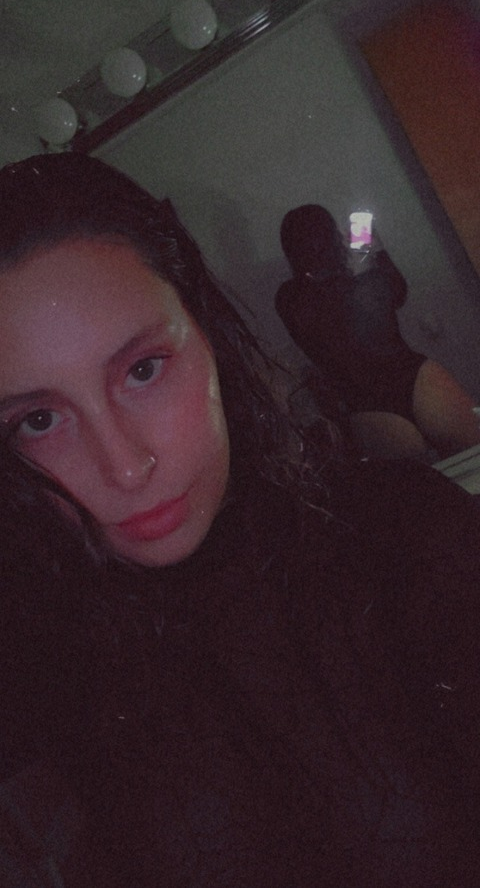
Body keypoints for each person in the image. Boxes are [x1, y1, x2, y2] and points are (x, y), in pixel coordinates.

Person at [0, 154, 480, 887]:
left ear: (208, 332)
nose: (125, 468)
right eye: (39, 420)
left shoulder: (407, 538)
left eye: (143, 369)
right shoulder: (51, 661)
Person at [276, 204, 480, 457]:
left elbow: (395, 293)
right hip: (374, 398)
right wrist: (366, 259)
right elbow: (335, 323)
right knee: (428, 468)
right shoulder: (295, 297)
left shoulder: (311, 291)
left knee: (469, 453)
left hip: (399, 383)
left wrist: (371, 256)